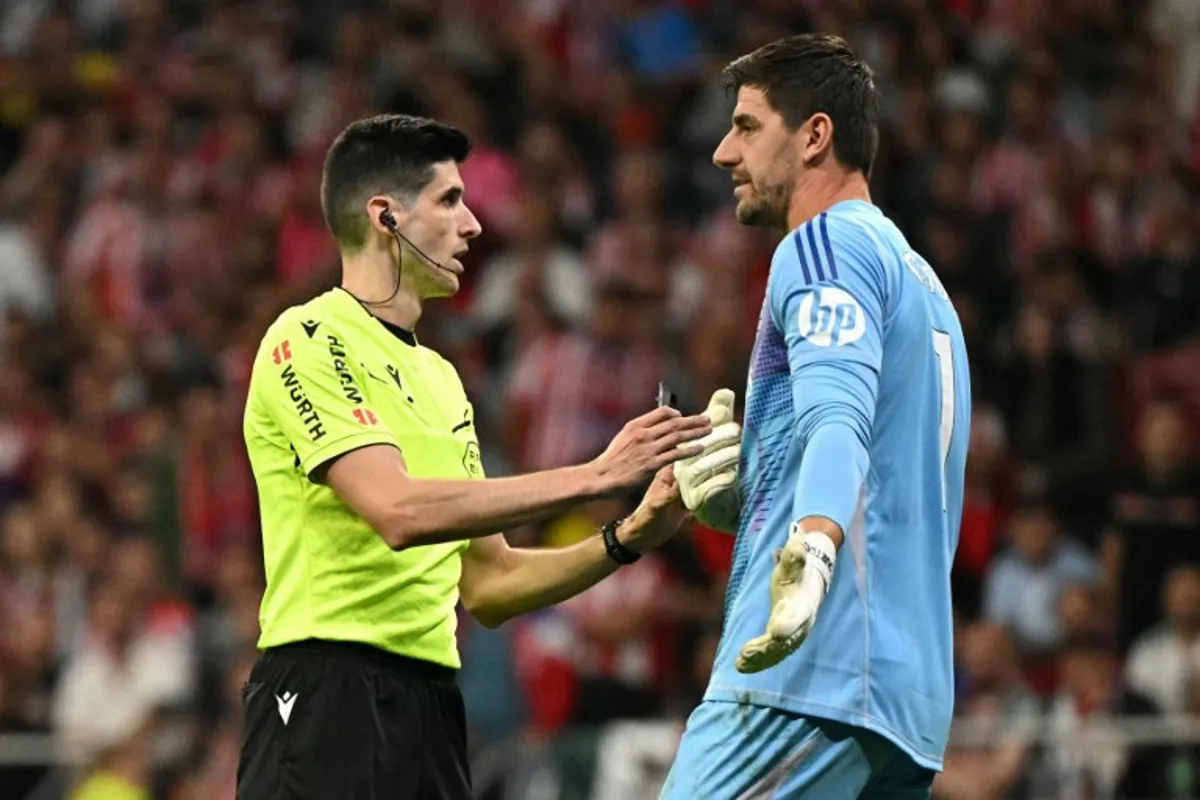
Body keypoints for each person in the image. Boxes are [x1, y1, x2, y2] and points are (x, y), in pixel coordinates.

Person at [234, 114, 741, 800]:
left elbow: (491, 584)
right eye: (449, 201)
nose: (473, 225)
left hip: (432, 705)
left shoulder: (442, 381)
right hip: (328, 692)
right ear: (385, 217)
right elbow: (397, 509)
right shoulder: (309, 337)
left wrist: (624, 538)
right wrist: (596, 474)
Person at [661, 35, 972, 798]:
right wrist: (755, 489)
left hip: (809, 681)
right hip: (907, 705)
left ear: (814, 135)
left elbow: (839, 420)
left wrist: (812, 551)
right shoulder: (921, 283)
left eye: (746, 126)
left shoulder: (823, 246)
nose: (722, 153)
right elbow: (884, 474)